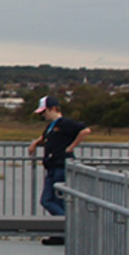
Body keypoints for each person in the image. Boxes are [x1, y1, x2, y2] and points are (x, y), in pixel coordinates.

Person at [27, 95, 89, 242]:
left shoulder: (64, 123)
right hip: (52, 167)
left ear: (53, 109)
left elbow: (85, 131)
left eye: (45, 112)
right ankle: (63, 231)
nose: (43, 115)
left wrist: (71, 147)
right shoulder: (50, 126)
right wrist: (35, 143)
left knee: (55, 200)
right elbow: (45, 139)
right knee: (48, 200)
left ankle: (68, 227)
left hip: (61, 166)